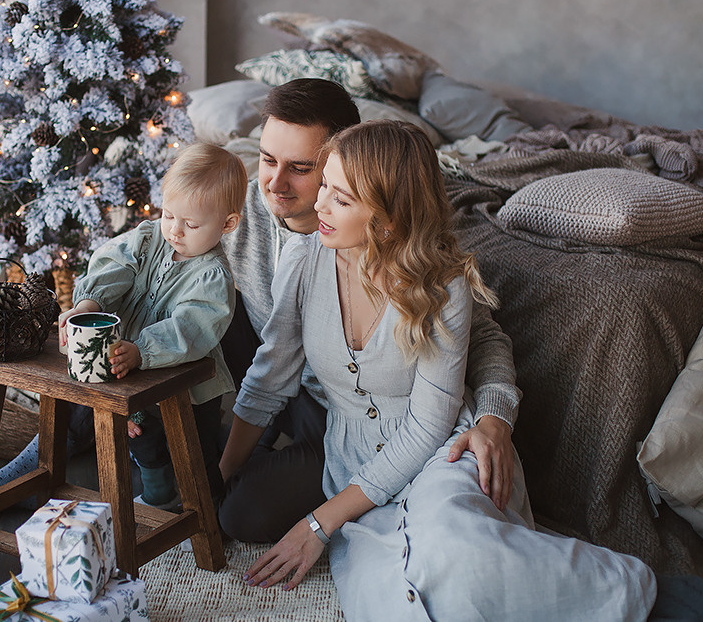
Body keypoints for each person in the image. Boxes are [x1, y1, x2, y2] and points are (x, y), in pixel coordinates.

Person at [222, 119, 656, 620]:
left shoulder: (440, 285)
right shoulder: (302, 259)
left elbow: (430, 424)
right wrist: (225, 471)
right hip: (351, 463)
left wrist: (317, 525)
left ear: (386, 219)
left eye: (339, 198)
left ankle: (628, 588)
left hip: (442, 453)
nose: (316, 205)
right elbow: (270, 375)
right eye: (323, 187)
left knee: (458, 551)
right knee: (393, 599)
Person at [217, 78, 521, 542]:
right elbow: (155, 250)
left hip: (369, 415)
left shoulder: (428, 267)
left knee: (448, 539)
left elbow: (481, 342)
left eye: (301, 168)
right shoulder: (243, 210)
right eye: (266, 159)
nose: (276, 184)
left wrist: (494, 415)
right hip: (306, 394)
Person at [0, 143, 247, 509]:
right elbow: (115, 265)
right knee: (102, 421)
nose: (174, 230)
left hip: (186, 386)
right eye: (169, 214)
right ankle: (3, 487)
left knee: (193, 456)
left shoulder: (212, 276)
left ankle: (209, 520)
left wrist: (143, 351)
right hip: (124, 364)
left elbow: (190, 328)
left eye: (190, 224)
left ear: (228, 224)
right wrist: (90, 303)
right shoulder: (149, 237)